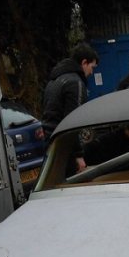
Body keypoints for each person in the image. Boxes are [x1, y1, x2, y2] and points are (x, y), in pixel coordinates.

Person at [42, 43, 99, 171]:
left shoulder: (54, 80)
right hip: (65, 149)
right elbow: (73, 123)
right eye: (92, 67)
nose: (91, 72)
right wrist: (78, 155)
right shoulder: (75, 83)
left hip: (50, 144)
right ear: (84, 63)